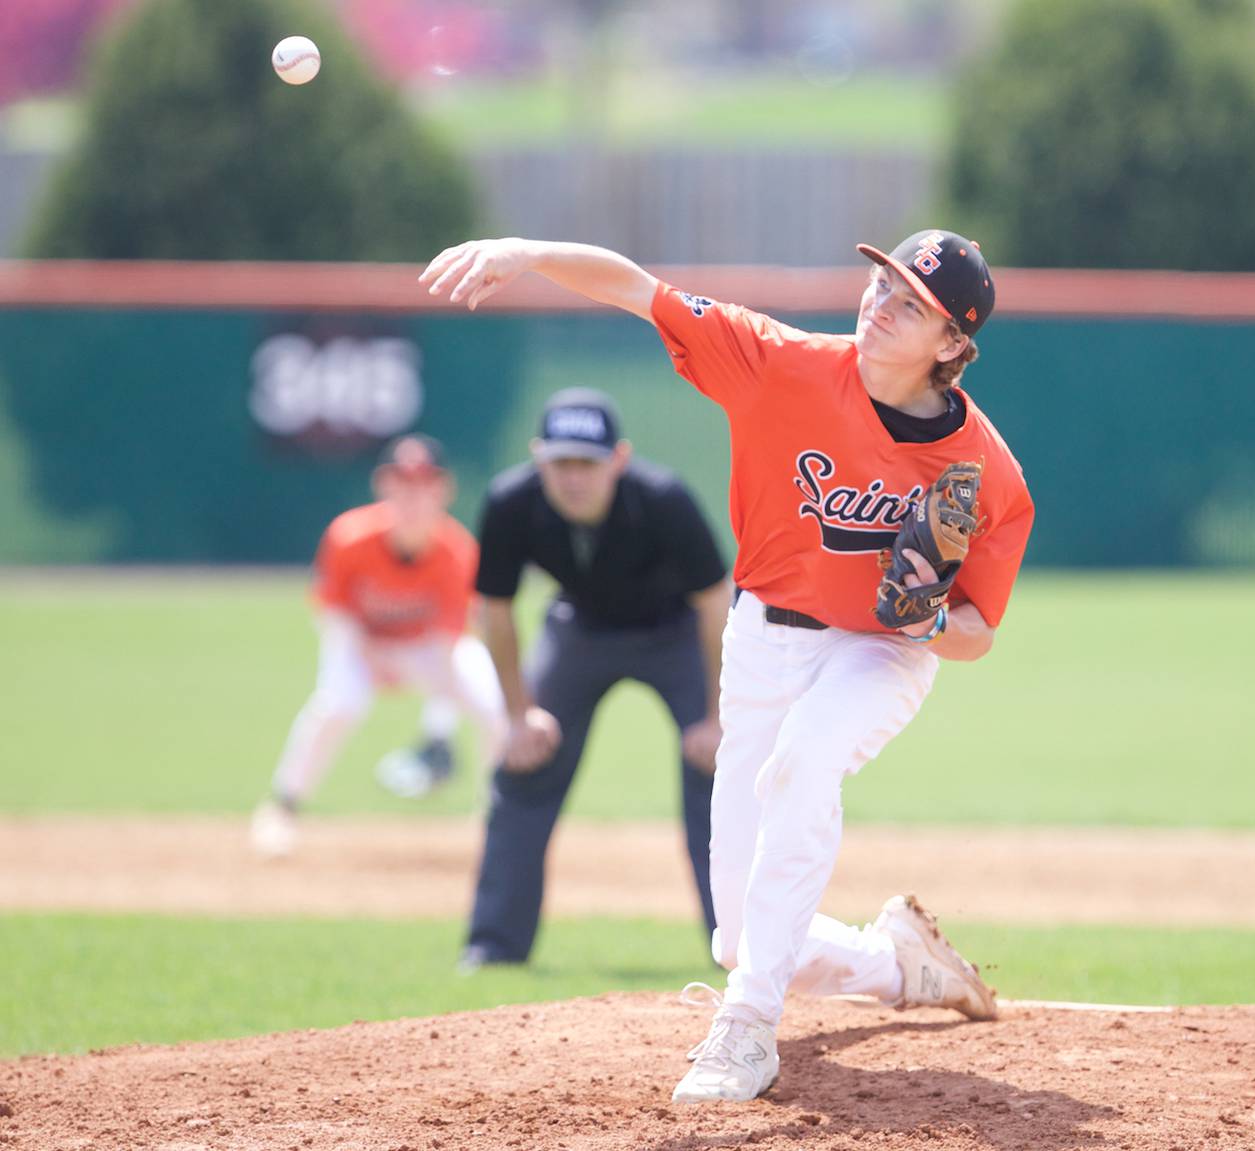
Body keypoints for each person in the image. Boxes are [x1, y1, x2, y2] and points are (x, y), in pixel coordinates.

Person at [420, 229, 1034, 1104]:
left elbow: (976, 632)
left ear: (951, 345)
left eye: (909, 303)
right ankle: (902, 967)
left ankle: (747, 1029)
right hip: (762, 640)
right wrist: (527, 250)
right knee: (741, 933)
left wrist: (930, 615)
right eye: (881, 283)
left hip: (880, 651)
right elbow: (643, 290)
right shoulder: (779, 363)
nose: (879, 303)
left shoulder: (986, 467)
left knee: (803, 765)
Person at [460, 387, 731, 969]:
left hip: (676, 632)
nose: (573, 478)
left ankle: (736, 944)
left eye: (587, 462)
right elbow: (496, 611)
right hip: (579, 630)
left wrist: (716, 716)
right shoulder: (511, 503)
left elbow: (715, 602)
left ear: (619, 458)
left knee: (717, 769)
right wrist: (518, 714)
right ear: (538, 459)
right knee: (526, 762)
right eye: (561, 463)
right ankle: (493, 947)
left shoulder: (663, 499)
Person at [250, 434, 507, 857]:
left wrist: (437, 732)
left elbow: (448, 645)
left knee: (494, 702)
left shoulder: (457, 552)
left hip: (425, 648)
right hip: (358, 641)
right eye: (402, 482)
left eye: (424, 483)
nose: (413, 494)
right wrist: (368, 658)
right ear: (382, 486)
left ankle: (498, 818)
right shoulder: (349, 537)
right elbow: (333, 612)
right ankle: (283, 807)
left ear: (444, 489)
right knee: (338, 704)